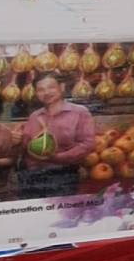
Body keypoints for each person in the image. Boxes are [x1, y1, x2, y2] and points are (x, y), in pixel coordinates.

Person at [18, 70, 95, 199]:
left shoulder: (79, 112)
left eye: (51, 87)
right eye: (41, 89)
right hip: (33, 176)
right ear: (36, 93)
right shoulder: (35, 116)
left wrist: (57, 157)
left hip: (64, 175)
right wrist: (18, 140)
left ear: (62, 87)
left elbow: (87, 144)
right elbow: (26, 146)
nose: (46, 93)